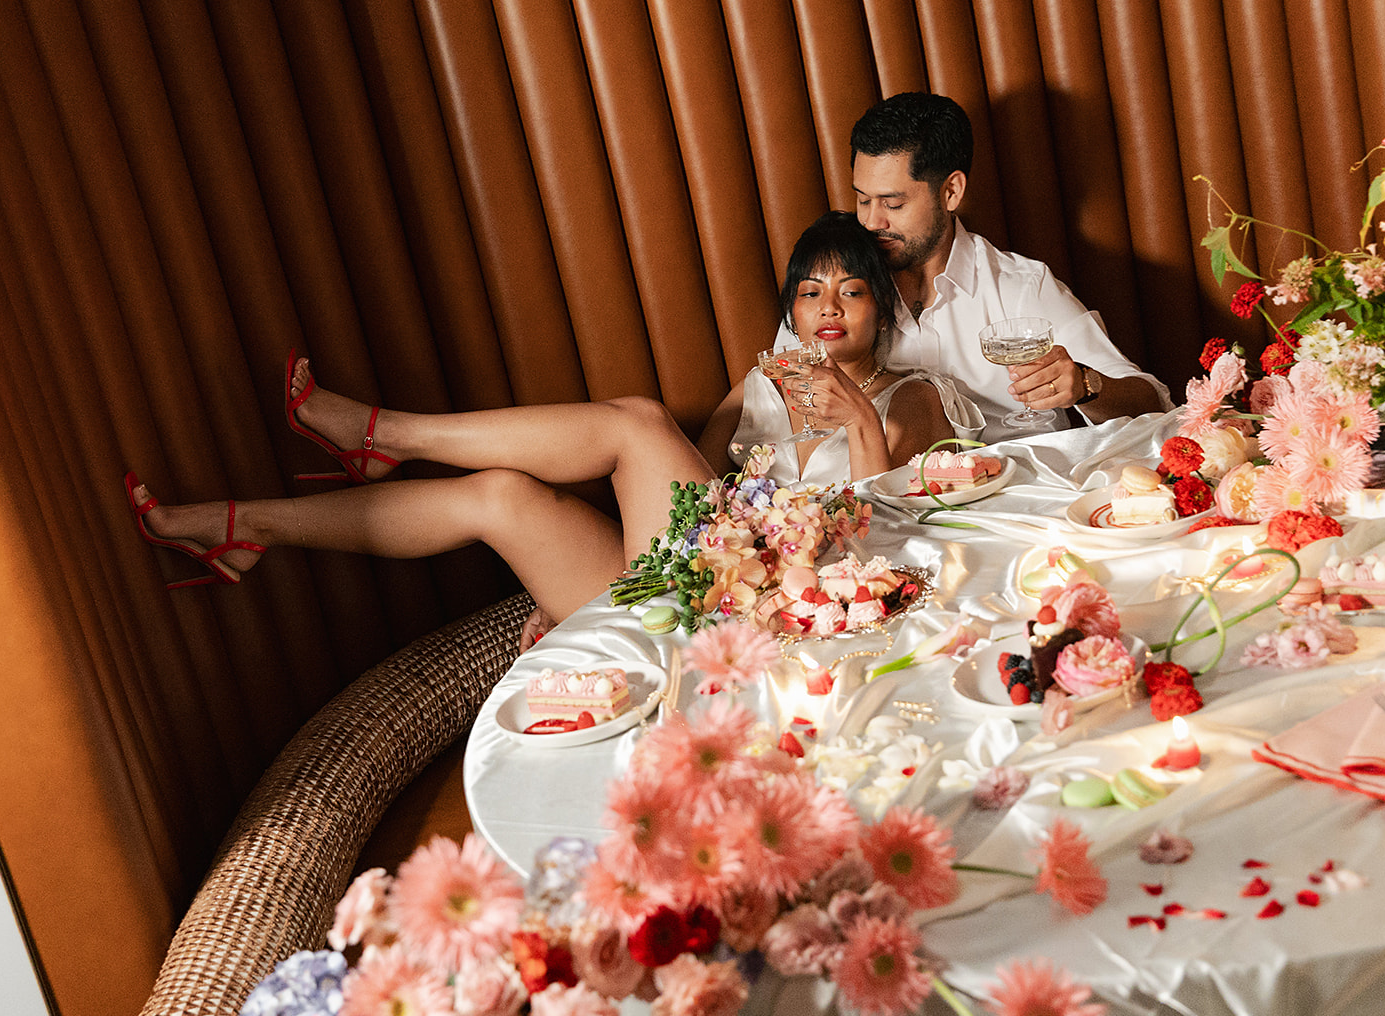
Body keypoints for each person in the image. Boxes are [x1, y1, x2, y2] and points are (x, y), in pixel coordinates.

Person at [126, 212, 979, 643]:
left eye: (851, 291)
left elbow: (886, 522)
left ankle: (387, 435)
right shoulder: (765, 378)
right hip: (688, 587)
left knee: (639, 421)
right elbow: (688, 480)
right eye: (810, 291)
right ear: (790, 306)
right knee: (500, 497)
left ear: (882, 308)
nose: (828, 308)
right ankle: (250, 528)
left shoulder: (913, 394)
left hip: (781, 612)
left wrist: (855, 414)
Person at [775, 92, 1170, 442]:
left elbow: (1152, 402)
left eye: (893, 204)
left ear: (951, 191)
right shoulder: (834, 290)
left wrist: (1084, 384)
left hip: (1023, 490)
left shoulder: (1021, 287)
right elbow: (783, 399)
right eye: (863, 200)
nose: (871, 221)